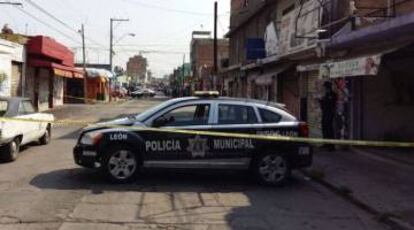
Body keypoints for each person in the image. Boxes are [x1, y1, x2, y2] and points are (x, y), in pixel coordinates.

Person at [319, 81, 337, 151]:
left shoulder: (333, 95)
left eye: (325, 87)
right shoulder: (326, 94)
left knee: (329, 129)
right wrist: (321, 101)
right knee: (324, 127)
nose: (325, 89)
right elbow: (323, 104)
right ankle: (326, 144)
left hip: (330, 113)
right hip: (325, 113)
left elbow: (331, 104)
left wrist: (323, 101)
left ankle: (331, 146)